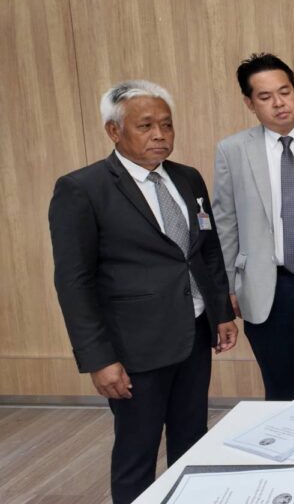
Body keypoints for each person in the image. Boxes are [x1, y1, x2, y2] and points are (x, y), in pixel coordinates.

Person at [49, 80, 238, 503]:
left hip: (193, 335)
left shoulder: (187, 178)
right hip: (134, 348)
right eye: (146, 125)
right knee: (138, 451)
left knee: (193, 440)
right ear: (114, 131)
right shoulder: (83, 189)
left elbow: (207, 250)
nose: (160, 135)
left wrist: (221, 311)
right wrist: (99, 358)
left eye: (167, 125)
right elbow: (74, 282)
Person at [213, 53, 294, 401]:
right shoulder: (233, 150)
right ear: (249, 103)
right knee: (280, 391)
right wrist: (228, 287)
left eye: (285, 92)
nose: (279, 103)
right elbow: (225, 222)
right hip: (267, 286)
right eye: (265, 96)